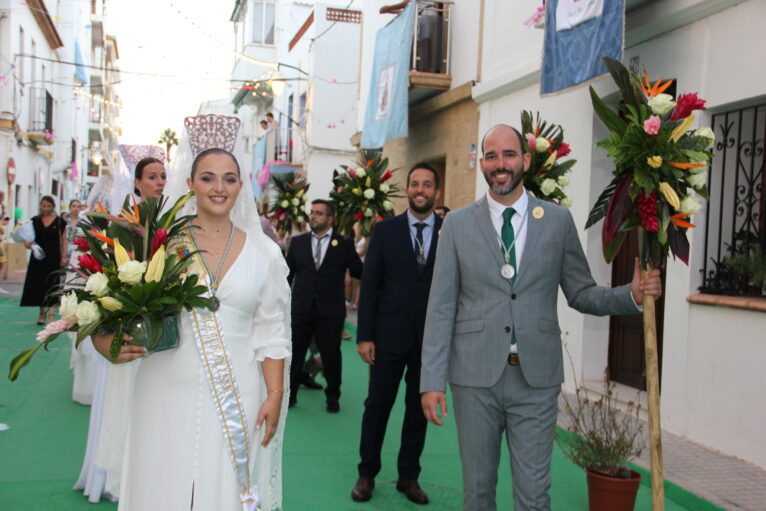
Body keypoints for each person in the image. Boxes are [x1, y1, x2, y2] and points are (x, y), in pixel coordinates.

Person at [420, 124, 663, 511]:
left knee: (534, 496)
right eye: (492, 156)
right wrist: (430, 380)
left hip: (536, 380)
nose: (501, 164)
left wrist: (630, 295)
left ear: (526, 161)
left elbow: (581, 292)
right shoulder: (457, 225)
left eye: (509, 155)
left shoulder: (556, 221)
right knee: (477, 492)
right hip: (474, 379)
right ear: (482, 163)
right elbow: (441, 307)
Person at [93, 145, 290, 510]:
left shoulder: (265, 253)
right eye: (208, 178)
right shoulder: (159, 244)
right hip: (163, 388)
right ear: (190, 184)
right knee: (160, 484)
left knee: (224, 490)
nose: (219, 187)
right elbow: (109, 305)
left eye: (229, 179)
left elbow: (271, 329)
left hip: (237, 390)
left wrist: (275, 394)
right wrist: (104, 341)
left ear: (240, 185)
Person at [352, 162, 443, 505]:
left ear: (437, 191)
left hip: (429, 342)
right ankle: (367, 473)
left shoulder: (450, 231)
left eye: (427, 184)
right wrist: (365, 335)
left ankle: (409, 477)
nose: (420, 190)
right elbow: (371, 285)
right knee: (377, 406)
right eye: (415, 184)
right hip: (387, 338)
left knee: (418, 410)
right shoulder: (386, 231)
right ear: (407, 189)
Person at [286, 199, 362, 412]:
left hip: (330, 311)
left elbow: (358, 270)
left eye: (319, 213)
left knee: (331, 355)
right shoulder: (298, 242)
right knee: (296, 353)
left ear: (330, 219)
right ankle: (290, 395)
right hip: (300, 309)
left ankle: (333, 396)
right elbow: (286, 275)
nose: (313, 216)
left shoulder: (343, 244)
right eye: (312, 212)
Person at [20, 195, 67, 324]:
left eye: (49, 206)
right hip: (38, 257)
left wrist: (63, 256)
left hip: (54, 257)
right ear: (40, 206)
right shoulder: (34, 221)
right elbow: (27, 238)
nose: (46, 208)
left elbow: (64, 239)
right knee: (39, 284)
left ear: (53, 207)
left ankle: (51, 313)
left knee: (52, 284)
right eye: (44, 206)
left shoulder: (59, 221)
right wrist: (29, 245)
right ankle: (41, 313)